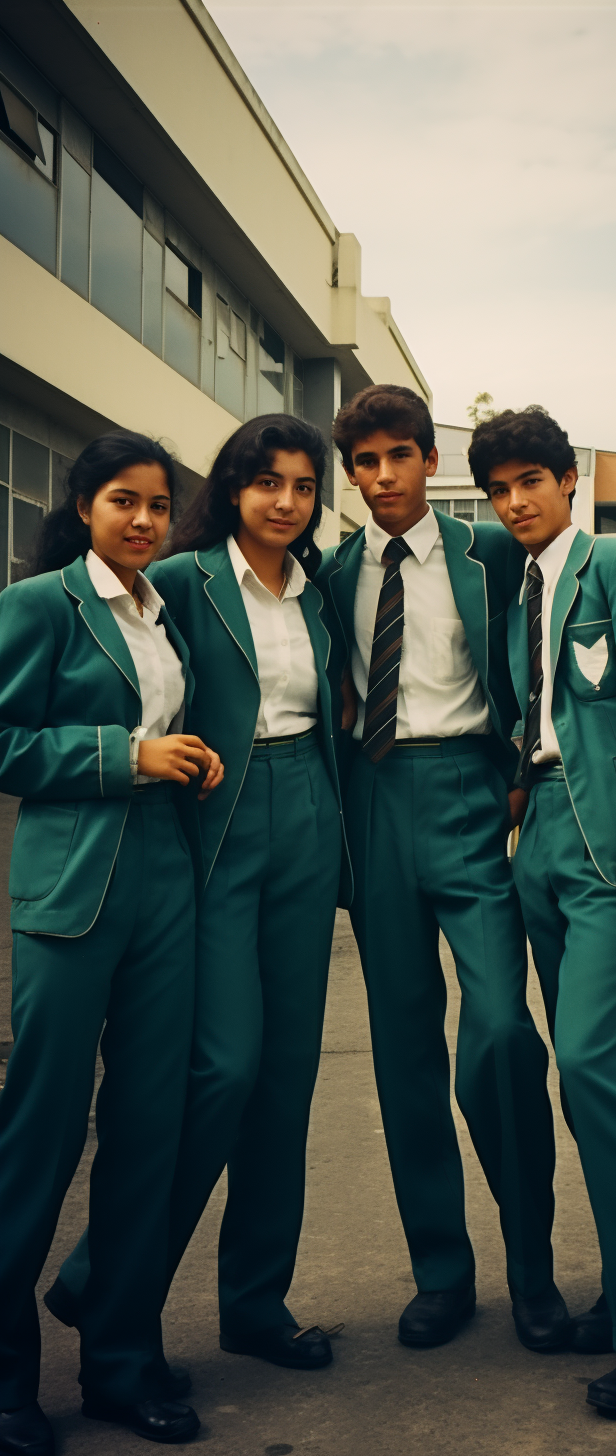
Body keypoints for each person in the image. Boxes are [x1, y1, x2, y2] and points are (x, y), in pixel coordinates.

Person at [47, 416, 349, 1377]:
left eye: (303, 486)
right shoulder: (177, 579)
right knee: (223, 1066)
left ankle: (257, 1303)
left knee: (287, 1078)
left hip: (308, 808)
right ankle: (104, 1276)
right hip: (215, 819)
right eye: (267, 482)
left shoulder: (322, 589)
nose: (286, 502)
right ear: (231, 489)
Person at [319, 384, 568, 1354]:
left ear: (429, 461)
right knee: (403, 1054)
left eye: (398, 457)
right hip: (373, 803)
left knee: (503, 1033)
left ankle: (533, 1269)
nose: (382, 477)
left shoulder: (492, 552)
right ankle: (442, 1272)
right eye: (365, 463)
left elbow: (538, 655)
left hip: (473, 794)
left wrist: (518, 765)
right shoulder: (333, 569)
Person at [470, 406, 616, 1418]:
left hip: (611, 840)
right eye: (500, 488)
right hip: (542, 850)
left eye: (532, 480)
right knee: (583, 1074)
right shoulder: (517, 588)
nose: (516, 501)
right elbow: (535, 714)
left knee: (596, 1062)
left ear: (569, 482)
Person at [0, 433, 224, 1452]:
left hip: (165, 886)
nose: (143, 521)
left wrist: (186, 761)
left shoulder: (165, 612)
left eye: (158, 507)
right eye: (123, 502)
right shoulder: (43, 603)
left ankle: (121, 1364)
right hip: (68, 891)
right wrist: (121, 755)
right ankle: (7, 1383)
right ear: (84, 505)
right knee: (39, 1133)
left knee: (148, 1129)